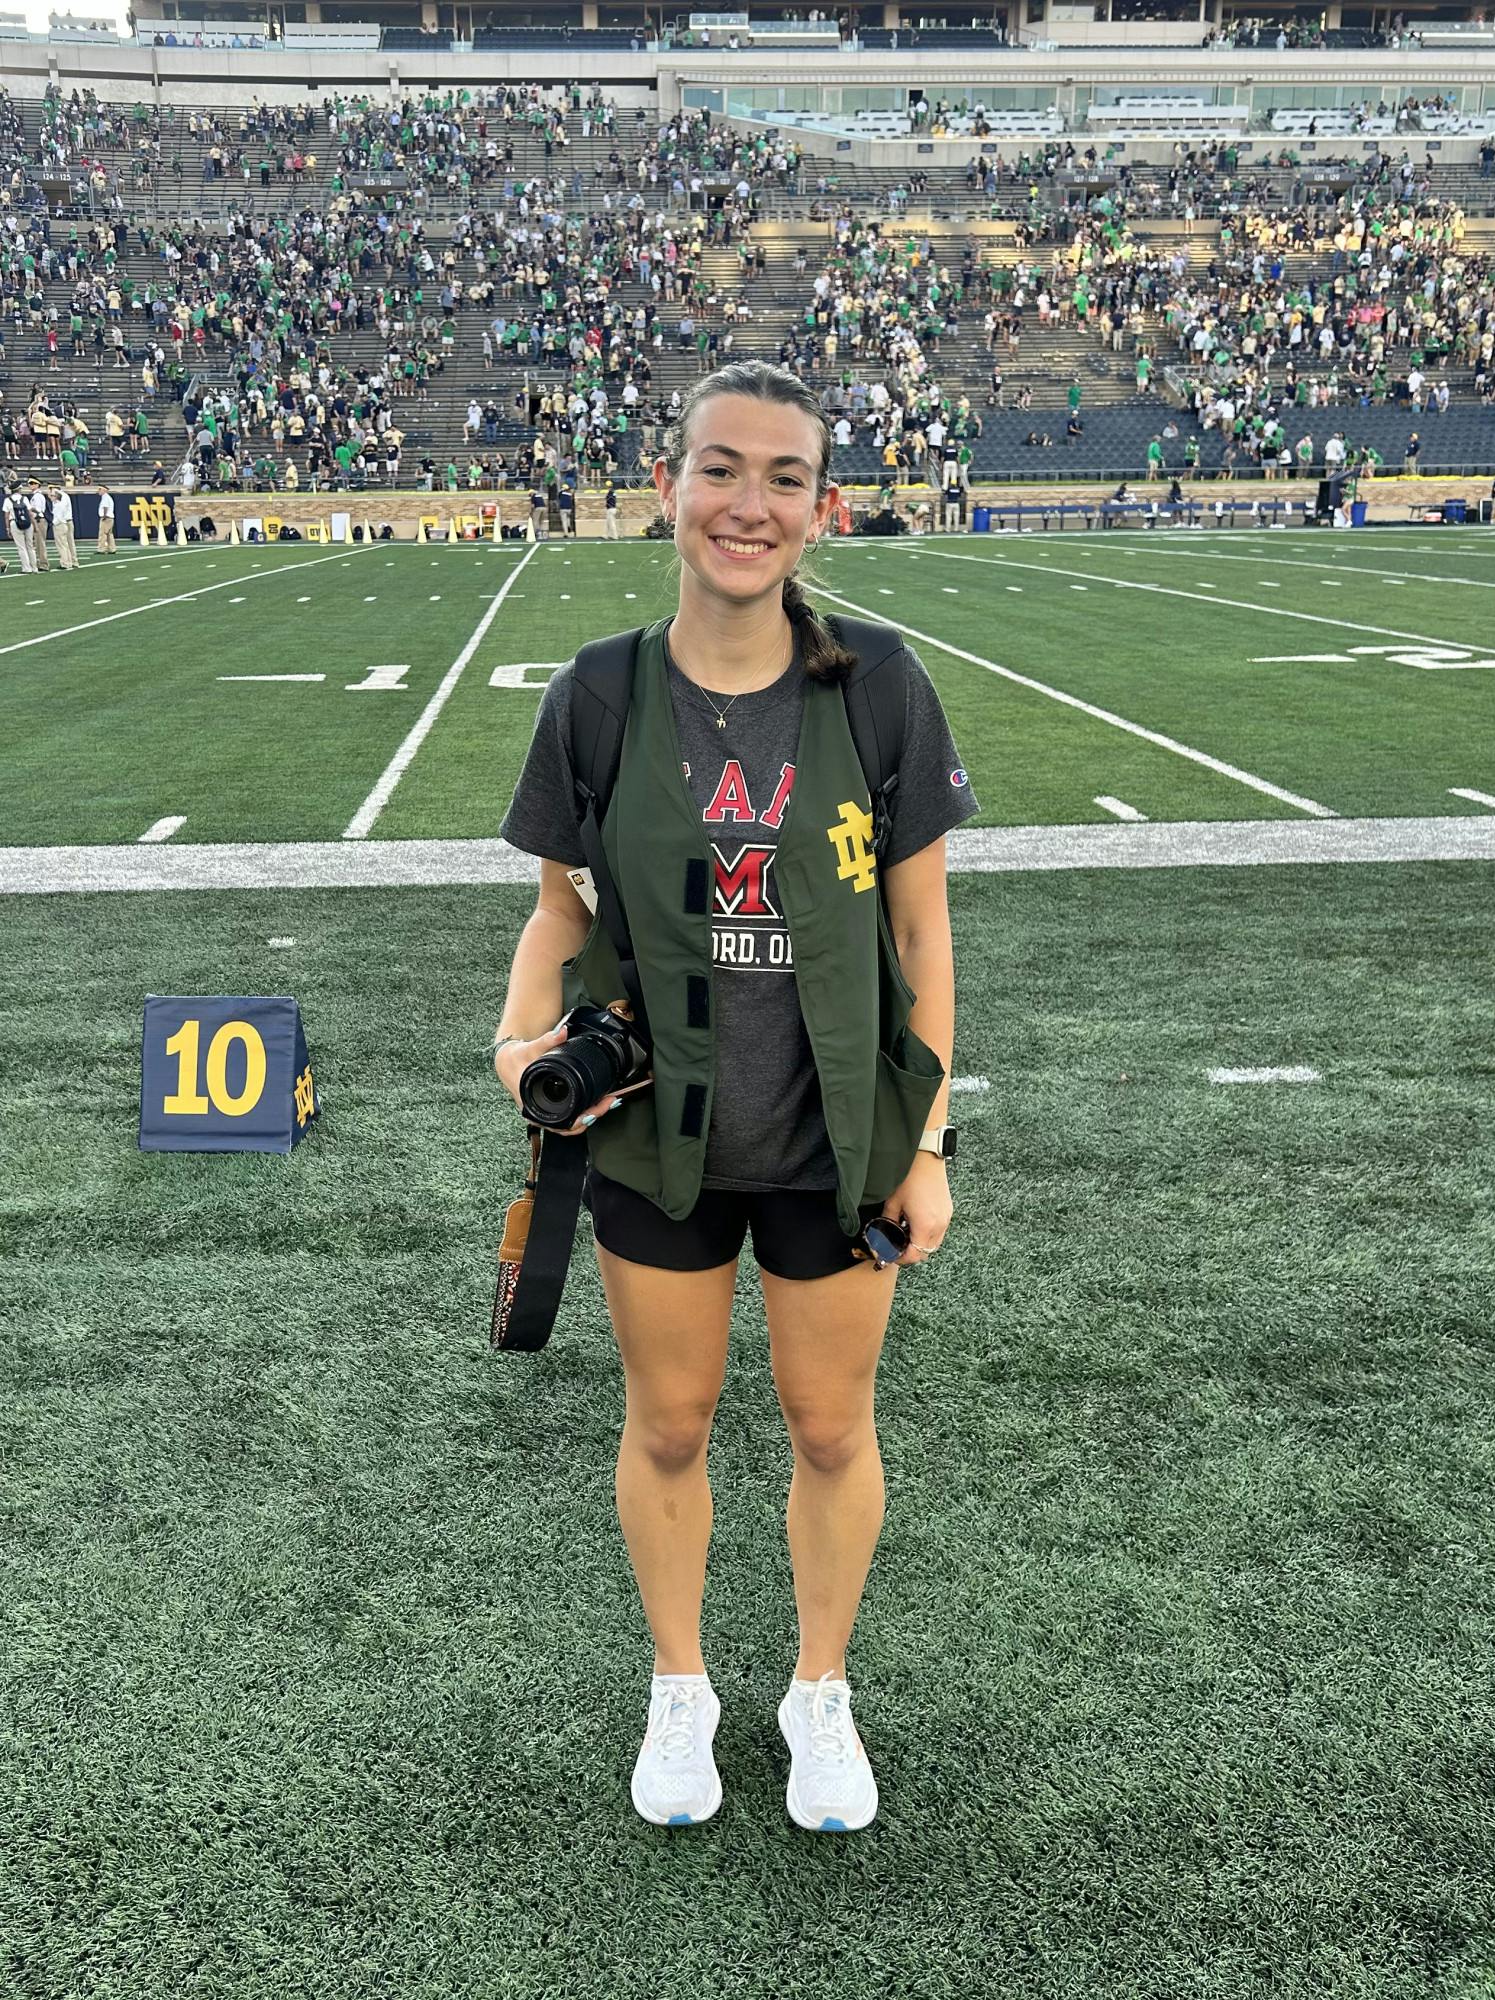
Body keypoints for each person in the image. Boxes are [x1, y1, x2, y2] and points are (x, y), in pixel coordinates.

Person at [494, 362, 977, 1834]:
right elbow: (558, 910)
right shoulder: (601, 691)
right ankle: (682, 1687)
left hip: (840, 1134)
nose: (746, 505)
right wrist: (519, 1042)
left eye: (781, 477)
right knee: (672, 1422)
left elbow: (921, 934)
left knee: (832, 1425)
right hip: (658, 1129)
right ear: (668, 487)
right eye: (720, 469)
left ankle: (819, 1691)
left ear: (822, 508)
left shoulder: (878, 683)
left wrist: (933, 1138)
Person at [95, 481, 116, 555]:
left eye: (99, 489)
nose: (98, 491)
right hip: (110, 518)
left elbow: (105, 507)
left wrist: (104, 516)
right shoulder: (108, 497)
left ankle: (101, 549)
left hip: (106, 518)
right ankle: (112, 548)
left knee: (103, 534)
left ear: (104, 490)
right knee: (109, 534)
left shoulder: (105, 497)